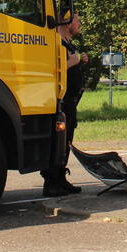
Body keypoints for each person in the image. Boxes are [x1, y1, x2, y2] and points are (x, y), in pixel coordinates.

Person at [42, 10, 88, 197]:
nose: (79, 23)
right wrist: (75, 59)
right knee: (58, 142)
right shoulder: (55, 42)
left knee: (66, 141)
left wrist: (80, 59)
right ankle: (51, 182)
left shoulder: (69, 44)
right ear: (67, 22)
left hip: (71, 103)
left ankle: (61, 179)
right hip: (60, 102)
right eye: (76, 20)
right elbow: (55, 67)